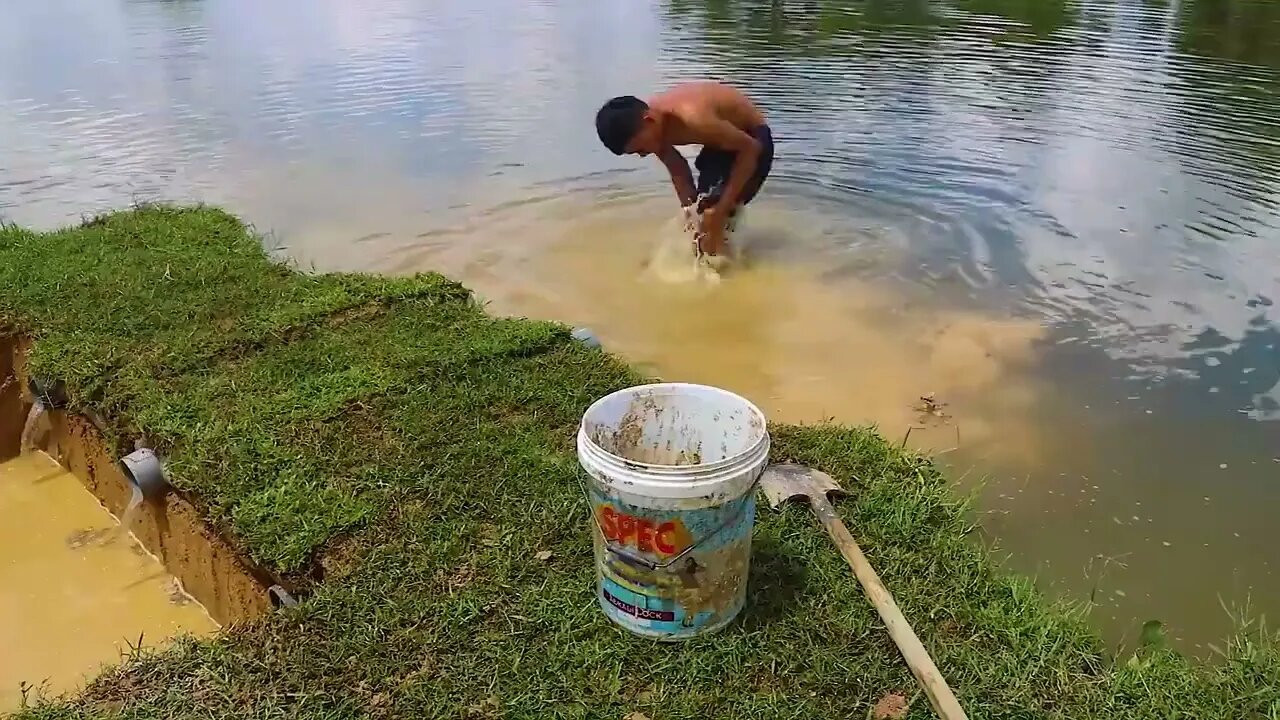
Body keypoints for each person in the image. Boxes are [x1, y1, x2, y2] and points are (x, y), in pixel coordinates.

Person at [594, 81, 773, 260]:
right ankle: (714, 259)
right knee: (701, 216)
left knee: (715, 213)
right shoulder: (651, 127)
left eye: (640, 149)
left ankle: (727, 272)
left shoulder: (694, 118)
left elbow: (751, 149)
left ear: (649, 121)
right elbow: (678, 169)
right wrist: (690, 215)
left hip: (753, 138)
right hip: (720, 144)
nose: (642, 155)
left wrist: (721, 210)